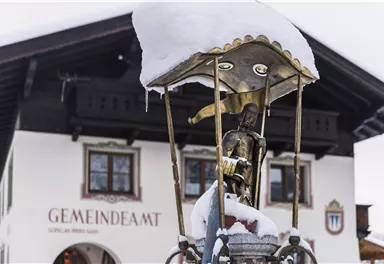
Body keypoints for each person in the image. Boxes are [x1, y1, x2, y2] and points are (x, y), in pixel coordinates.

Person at [221, 103, 266, 207]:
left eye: (253, 117)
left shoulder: (256, 138)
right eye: (248, 115)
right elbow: (222, 158)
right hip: (236, 176)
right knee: (236, 202)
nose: (250, 119)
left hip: (250, 176)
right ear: (243, 115)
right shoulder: (232, 135)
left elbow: (258, 160)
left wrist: (261, 147)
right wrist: (238, 162)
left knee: (249, 202)